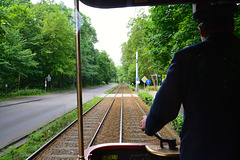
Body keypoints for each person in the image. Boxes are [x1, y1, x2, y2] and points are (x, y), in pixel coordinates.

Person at [140, 3, 239, 160]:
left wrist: (150, 123)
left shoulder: (186, 58)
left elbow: (166, 107)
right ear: (232, 25)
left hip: (200, 153)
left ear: (201, 30)